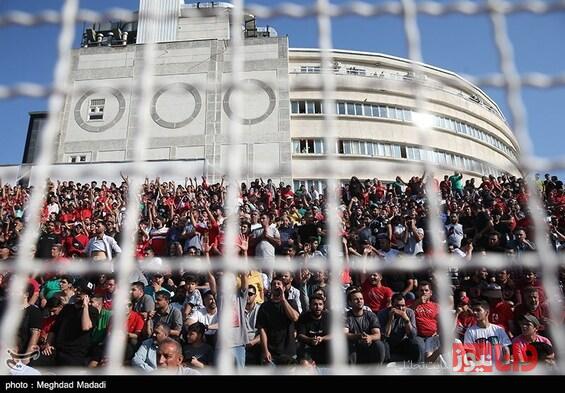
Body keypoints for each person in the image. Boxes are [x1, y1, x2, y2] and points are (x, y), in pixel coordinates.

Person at [43, 279, 100, 367]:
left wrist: (85, 307)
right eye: (76, 289)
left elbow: (86, 327)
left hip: (74, 354)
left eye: (81, 291)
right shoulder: (67, 308)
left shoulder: (93, 311)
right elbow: (54, 328)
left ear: (87, 295)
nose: (77, 291)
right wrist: (48, 344)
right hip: (57, 349)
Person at [256, 276, 300, 365]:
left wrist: (283, 300)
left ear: (284, 288)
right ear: (271, 288)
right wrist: (265, 350)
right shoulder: (264, 307)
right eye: (274, 284)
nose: (276, 286)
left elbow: (295, 317)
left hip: (288, 352)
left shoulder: (291, 303)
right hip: (271, 353)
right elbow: (262, 330)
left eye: (279, 284)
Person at [378, 293, 423, 363]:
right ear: (392, 305)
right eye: (397, 306)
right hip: (389, 343)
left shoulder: (409, 312)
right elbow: (384, 336)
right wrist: (390, 319)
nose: (401, 308)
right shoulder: (382, 313)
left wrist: (406, 319)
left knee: (418, 341)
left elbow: (412, 335)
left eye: (403, 305)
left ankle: (416, 367)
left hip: (403, 342)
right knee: (383, 344)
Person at [345, 289, 386, 364]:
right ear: (350, 303)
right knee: (348, 346)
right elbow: (344, 334)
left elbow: (377, 334)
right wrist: (359, 336)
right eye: (356, 299)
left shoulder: (371, 315)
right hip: (354, 347)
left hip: (369, 345)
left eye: (361, 299)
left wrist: (370, 337)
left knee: (379, 345)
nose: (359, 301)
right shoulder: (345, 316)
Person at [296, 294, 330, 365]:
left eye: (320, 304)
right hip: (308, 348)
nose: (318, 307)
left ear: (323, 306)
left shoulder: (328, 317)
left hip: (325, 347)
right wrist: (310, 340)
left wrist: (322, 338)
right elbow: (300, 335)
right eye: (315, 304)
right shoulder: (303, 318)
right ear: (310, 306)